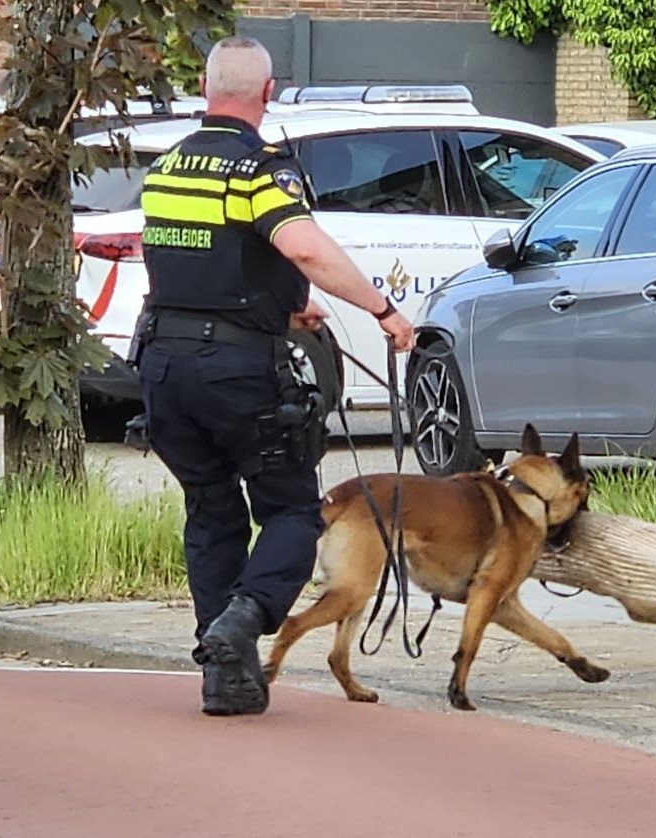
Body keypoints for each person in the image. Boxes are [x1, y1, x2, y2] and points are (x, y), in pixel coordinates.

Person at [133, 35, 415, 716]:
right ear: (267, 94)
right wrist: (382, 309)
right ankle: (245, 618)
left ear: (207, 91)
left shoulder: (168, 167)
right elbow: (305, 247)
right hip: (234, 372)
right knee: (291, 508)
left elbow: (209, 263)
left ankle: (223, 678)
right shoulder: (255, 169)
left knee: (211, 507)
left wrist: (286, 307)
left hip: (162, 367)